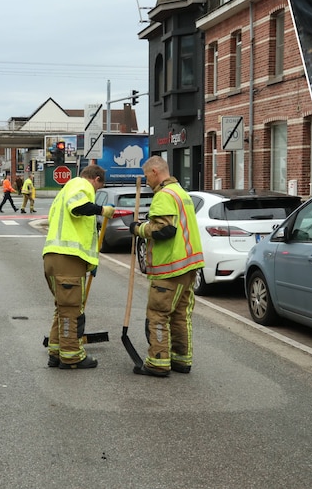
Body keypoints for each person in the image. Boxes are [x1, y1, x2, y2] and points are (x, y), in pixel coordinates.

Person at [128, 156, 204, 377]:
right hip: (189, 266)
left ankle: (158, 361)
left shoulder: (163, 196)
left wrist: (138, 229)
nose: (147, 181)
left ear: (154, 171)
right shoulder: (181, 193)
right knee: (180, 314)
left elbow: (164, 230)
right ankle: (181, 359)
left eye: (147, 176)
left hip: (170, 268)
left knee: (158, 314)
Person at [43, 165, 114, 370]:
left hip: (55, 258)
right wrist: (102, 210)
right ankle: (72, 356)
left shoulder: (65, 191)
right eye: (99, 188)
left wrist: (90, 262)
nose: (96, 193)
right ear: (96, 179)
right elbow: (78, 208)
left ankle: (56, 353)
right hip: (68, 259)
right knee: (72, 310)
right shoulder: (80, 184)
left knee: (63, 308)